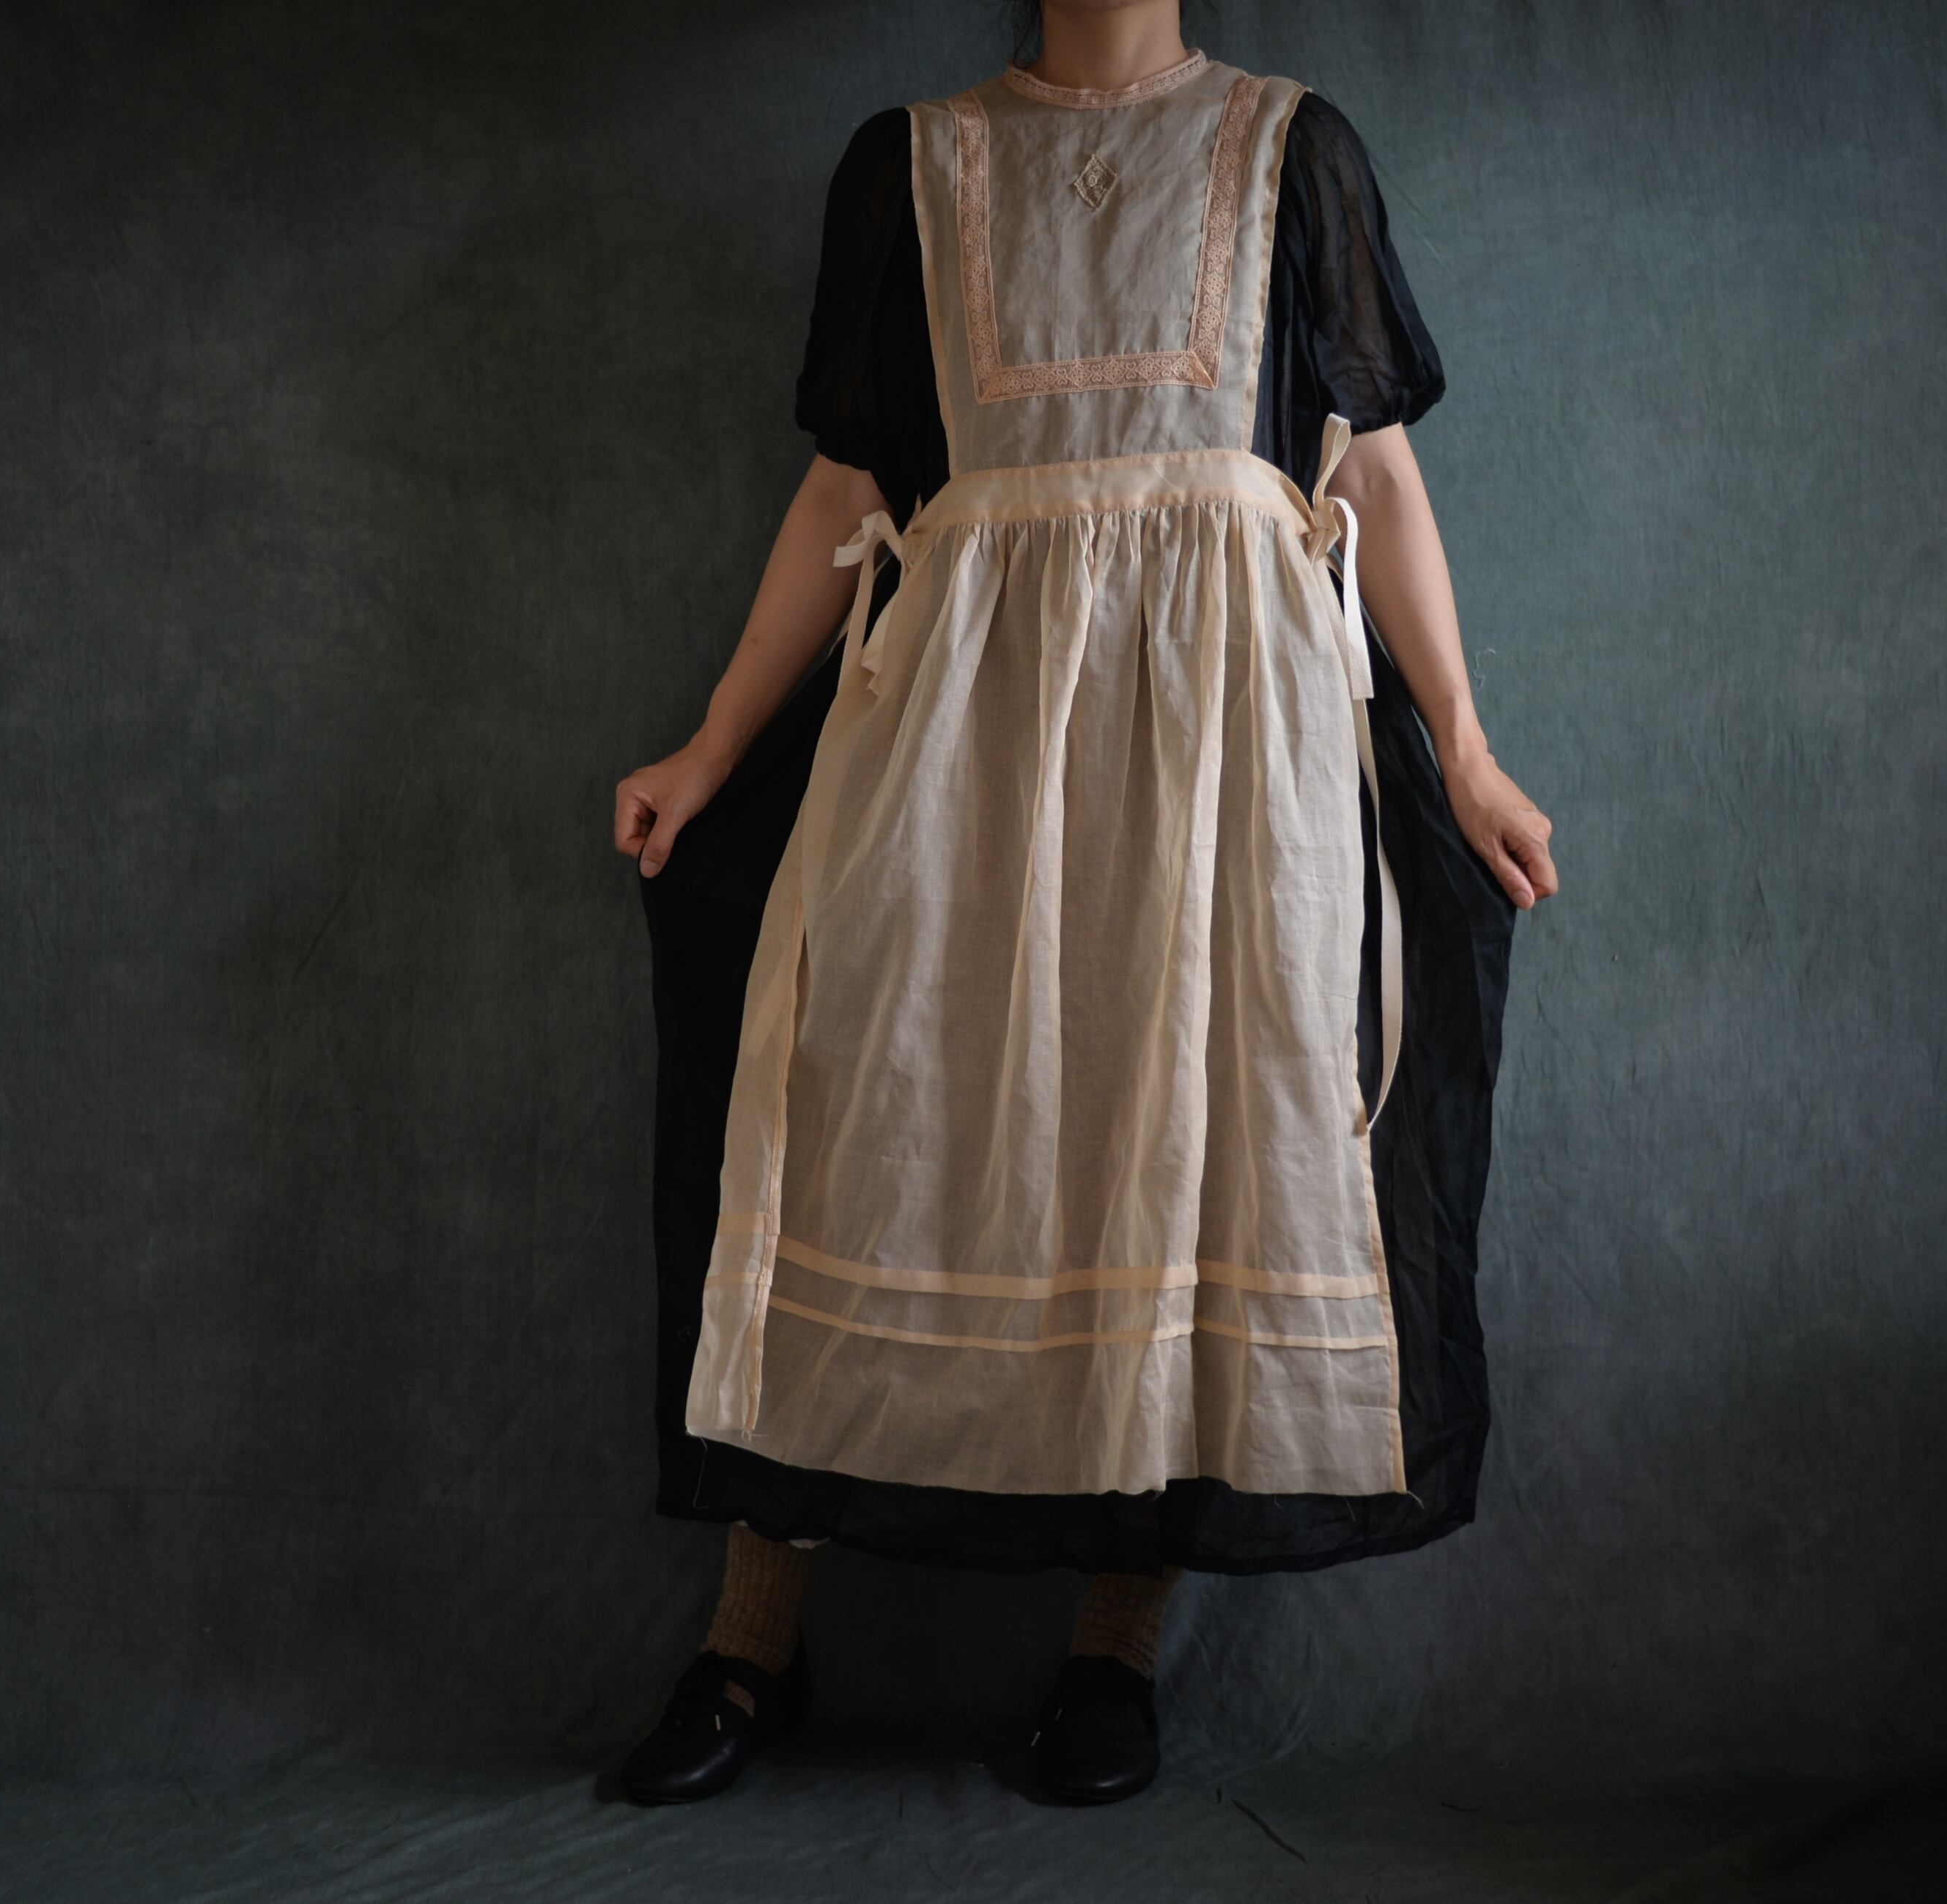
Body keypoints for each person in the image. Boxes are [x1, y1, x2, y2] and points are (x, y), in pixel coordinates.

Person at [611, 0, 1557, 1806]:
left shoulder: (1293, 148)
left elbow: (1369, 465)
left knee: (1178, 1153)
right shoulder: (913, 163)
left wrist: (1467, 750)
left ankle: (1113, 1655)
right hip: (956, 729)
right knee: (864, 1126)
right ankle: (748, 1645)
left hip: (1222, 748)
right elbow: (845, 485)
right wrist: (716, 744)